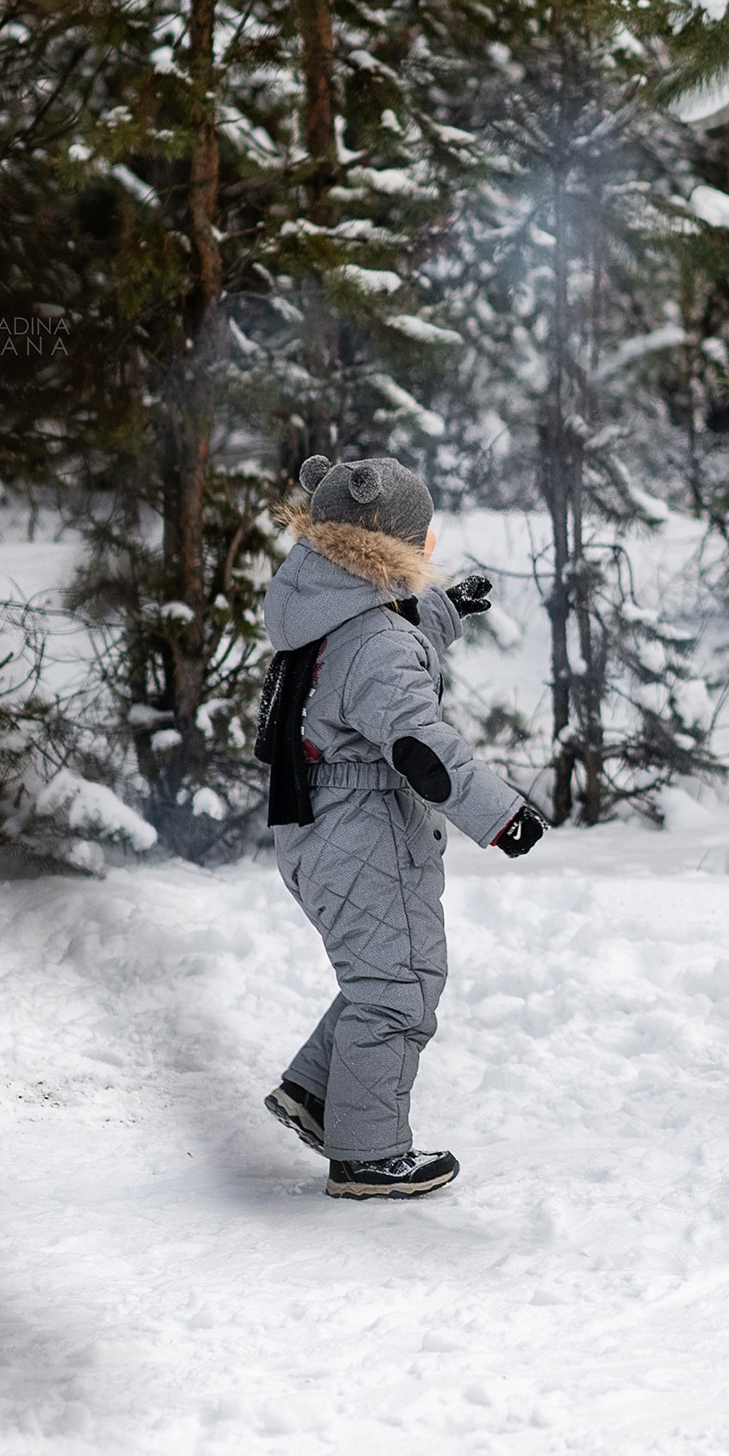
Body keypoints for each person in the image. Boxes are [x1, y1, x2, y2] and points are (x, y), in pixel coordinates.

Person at [255, 453, 547, 1197]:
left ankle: (321, 1094)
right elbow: (420, 742)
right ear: (395, 550)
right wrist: (502, 815)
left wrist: (446, 608)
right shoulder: (376, 643)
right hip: (361, 827)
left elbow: (380, 639)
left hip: (312, 823)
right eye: (424, 541)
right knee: (399, 982)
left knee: (379, 973)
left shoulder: (319, 605)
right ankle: (368, 1151)